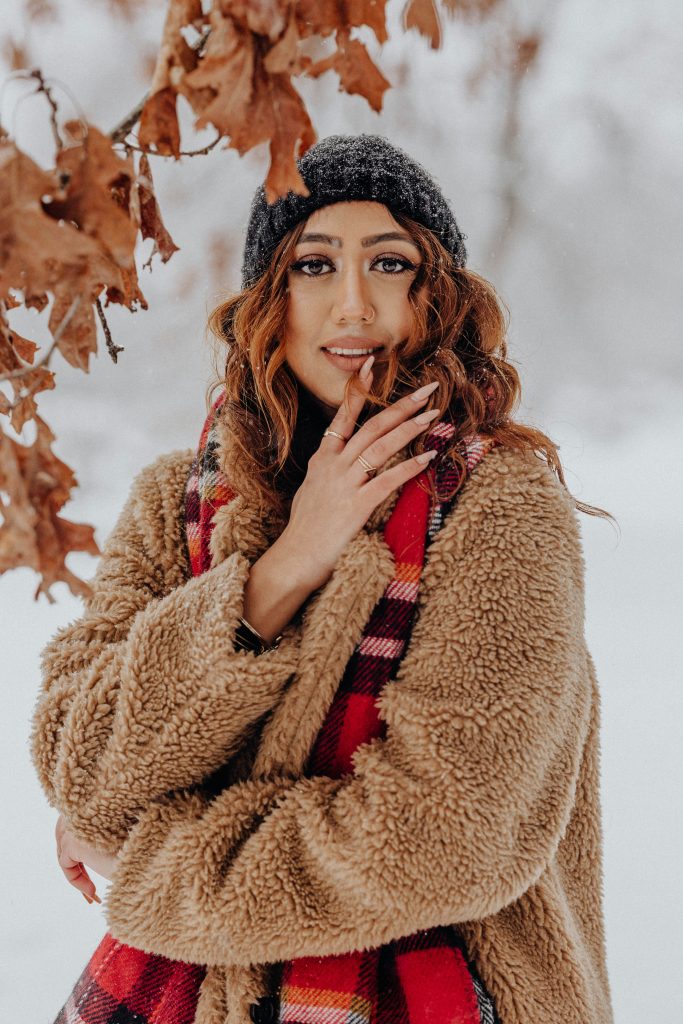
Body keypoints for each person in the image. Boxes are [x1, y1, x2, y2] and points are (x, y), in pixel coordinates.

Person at [30, 134, 616, 1024]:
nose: (353, 304)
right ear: (268, 297)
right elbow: (83, 770)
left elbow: (444, 839)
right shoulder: (176, 501)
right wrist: (286, 565)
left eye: (389, 263)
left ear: (438, 296)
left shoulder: (499, 505)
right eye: (313, 264)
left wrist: (154, 865)